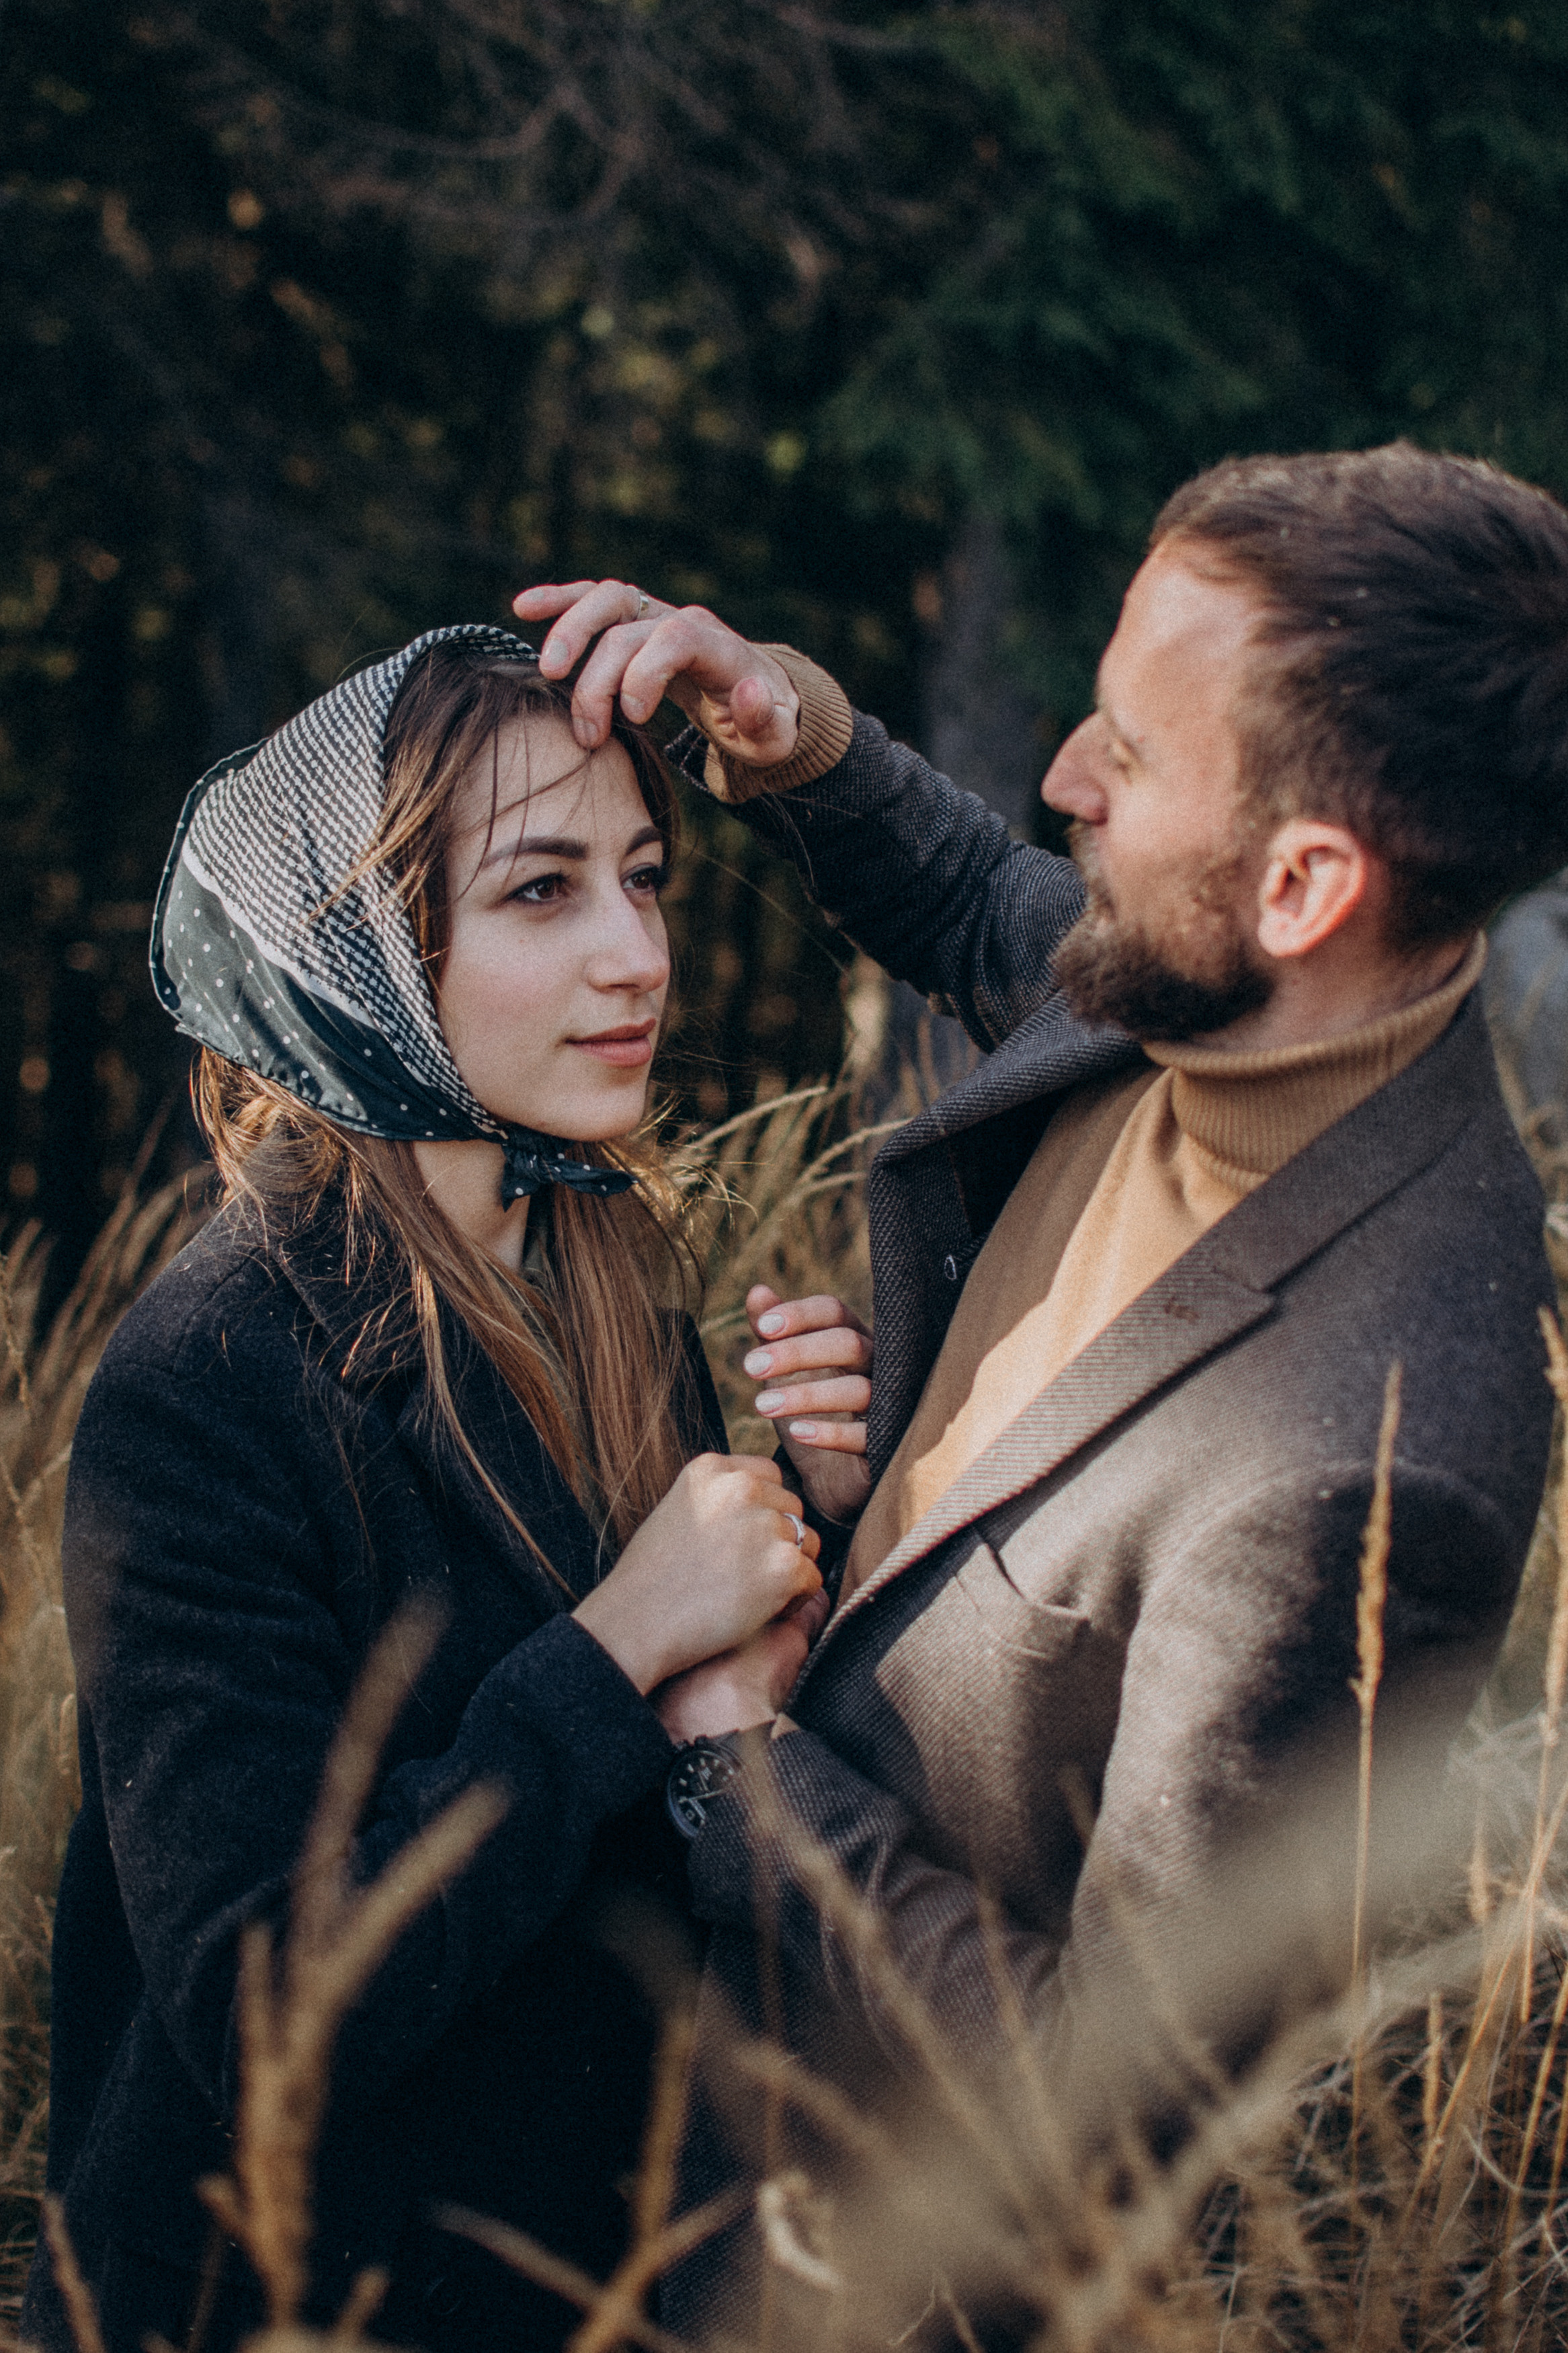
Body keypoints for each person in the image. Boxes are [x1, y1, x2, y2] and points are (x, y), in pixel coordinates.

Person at [516, 442, 1568, 2343]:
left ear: (1304, 880)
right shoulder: (1214, 984)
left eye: (1123, 752)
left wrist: (736, 1761)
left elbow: (1105, 2100)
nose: (1063, 782)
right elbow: (993, 908)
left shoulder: (1375, 1443)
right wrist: (791, 728)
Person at [22, 626, 841, 2353]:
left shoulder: (609, 1272)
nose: (635, 957)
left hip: (587, 2273)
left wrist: (812, 1544)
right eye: (542, 894)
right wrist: (620, 1645)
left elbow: (662, 1813)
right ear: (368, 953)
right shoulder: (213, 1375)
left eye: (641, 878)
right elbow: (264, 2000)